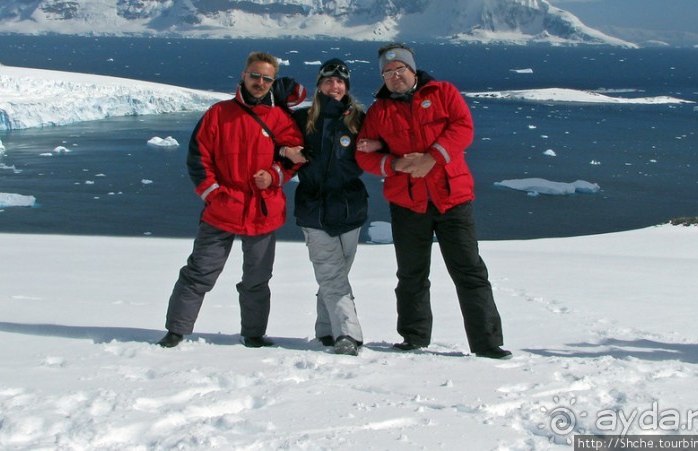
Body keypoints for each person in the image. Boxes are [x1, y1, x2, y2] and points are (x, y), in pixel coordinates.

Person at [355, 42, 511, 360]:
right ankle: (413, 338)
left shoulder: (443, 93)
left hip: (451, 199)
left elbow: (463, 128)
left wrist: (432, 158)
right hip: (408, 204)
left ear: (412, 70)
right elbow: (363, 155)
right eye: (387, 72)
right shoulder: (379, 111)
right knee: (411, 274)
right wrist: (395, 164)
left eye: (400, 69)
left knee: (469, 271)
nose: (394, 76)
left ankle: (487, 343)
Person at [157, 51, 304, 349]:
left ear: (272, 82)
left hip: (262, 209)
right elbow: (198, 158)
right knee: (200, 271)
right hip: (223, 207)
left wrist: (273, 175)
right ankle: (176, 330)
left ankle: (253, 334)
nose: (260, 83)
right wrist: (213, 195)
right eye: (255, 76)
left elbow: (296, 155)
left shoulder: (279, 119)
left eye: (266, 78)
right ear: (244, 75)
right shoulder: (218, 114)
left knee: (257, 278)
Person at [281, 58, 375, 356]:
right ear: (319, 85)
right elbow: (272, 129)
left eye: (340, 81)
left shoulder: (360, 120)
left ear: (347, 87)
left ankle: (325, 330)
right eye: (328, 80)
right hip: (314, 210)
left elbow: (388, 139)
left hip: (350, 210)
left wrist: (379, 147)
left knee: (334, 276)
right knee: (333, 276)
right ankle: (348, 334)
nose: (335, 86)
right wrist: (285, 150)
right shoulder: (302, 119)